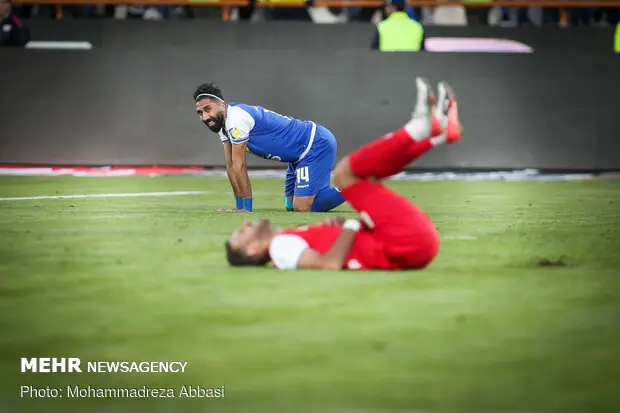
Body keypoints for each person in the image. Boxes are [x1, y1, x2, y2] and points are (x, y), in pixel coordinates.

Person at [224, 77, 462, 271]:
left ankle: (435, 136)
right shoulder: (280, 250)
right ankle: (418, 129)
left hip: (410, 245)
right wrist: (349, 226)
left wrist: (335, 230)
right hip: (406, 242)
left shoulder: (284, 242)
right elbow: (329, 264)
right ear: (253, 250)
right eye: (241, 234)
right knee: (346, 174)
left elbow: (336, 252)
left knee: (348, 180)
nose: (245, 225)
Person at [193, 82, 345, 213]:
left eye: (208, 109)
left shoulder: (236, 119)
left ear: (221, 105)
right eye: (200, 113)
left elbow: (239, 166)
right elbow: (231, 166)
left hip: (314, 144)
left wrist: (246, 209)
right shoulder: (223, 125)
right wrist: (238, 207)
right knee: (290, 205)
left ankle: (354, 187)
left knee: (303, 206)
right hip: (297, 156)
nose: (204, 117)